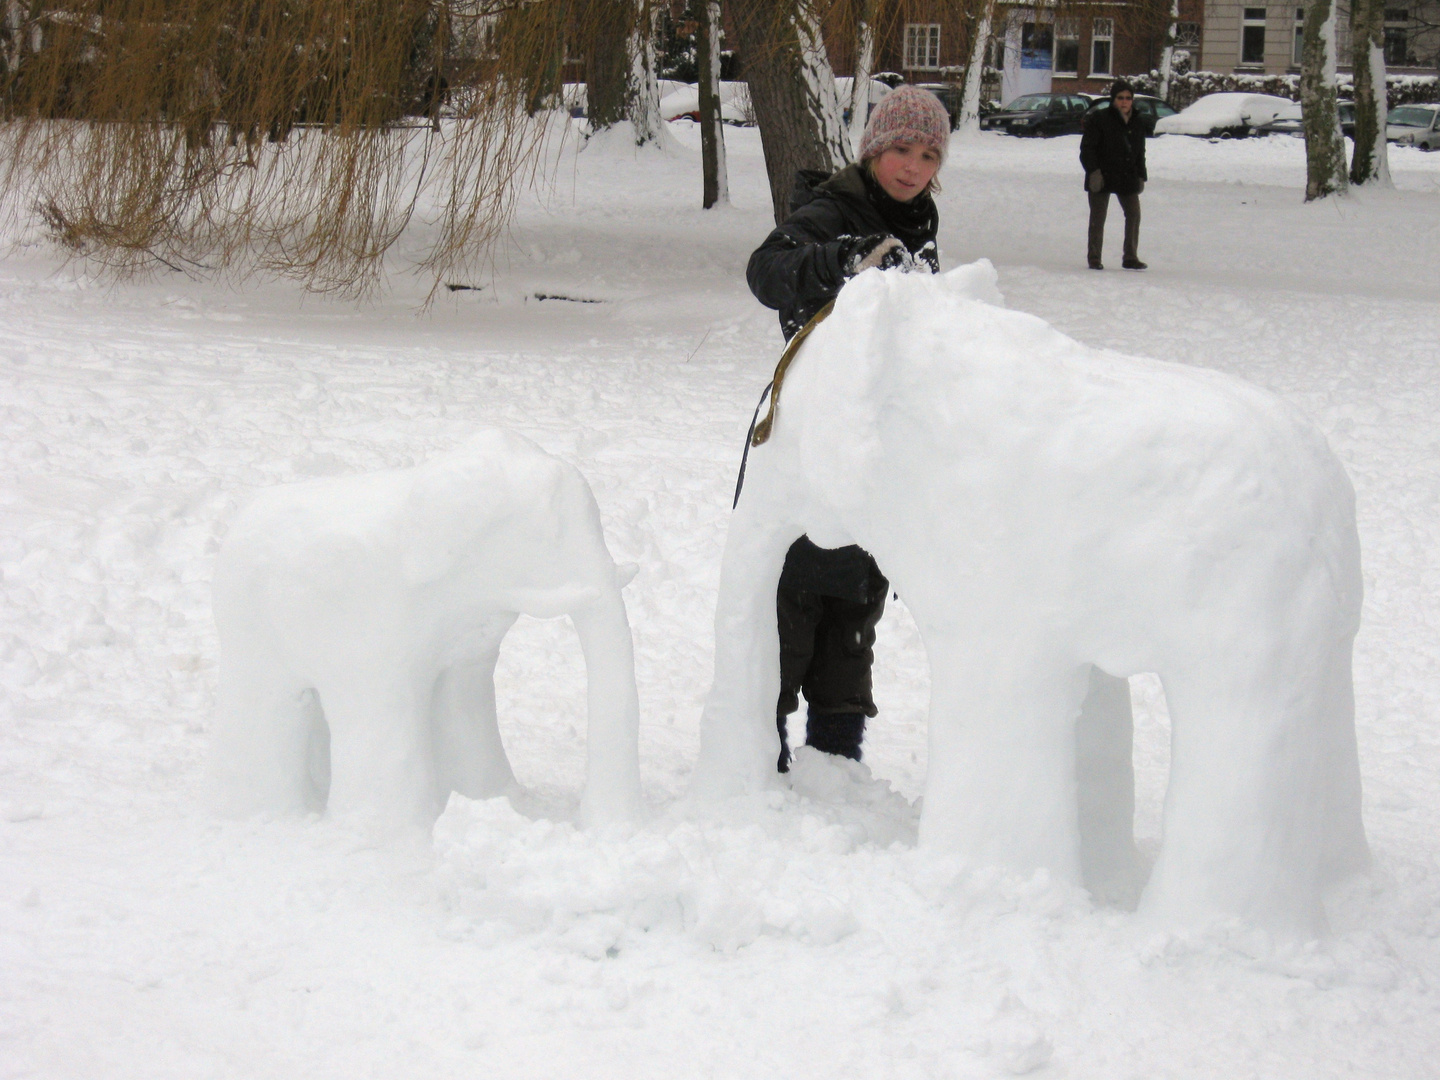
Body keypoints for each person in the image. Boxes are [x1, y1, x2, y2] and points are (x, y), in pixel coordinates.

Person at [745, 84, 950, 772]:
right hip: (807, 443)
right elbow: (766, 271)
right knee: (788, 610)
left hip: (875, 447)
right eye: (900, 149)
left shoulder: (921, 223)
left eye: (927, 154)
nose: (913, 166)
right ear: (872, 149)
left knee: (853, 610)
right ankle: (755, 765)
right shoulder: (829, 210)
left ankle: (835, 766)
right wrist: (842, 260)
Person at [1080, 80, 1148, 271]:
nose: (1124, 102)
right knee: (1098, 218)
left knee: (1134, 215)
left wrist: (1141, 175)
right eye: (1120, 98)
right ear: (1113, 99)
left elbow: (1139, 152)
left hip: (1127, 176)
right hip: (1102, 175)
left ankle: (1130, 256)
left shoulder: (1137, 121)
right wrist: (1093, 172)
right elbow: (1087, 149)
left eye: (1128, 98)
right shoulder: (1099, 119)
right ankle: (1094, 258)